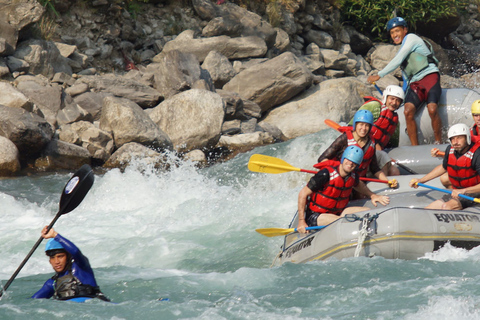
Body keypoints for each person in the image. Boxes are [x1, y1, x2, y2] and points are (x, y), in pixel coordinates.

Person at [367, 16, 442, 146]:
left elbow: (398, 59)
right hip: (416, 83)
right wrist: (402, 96)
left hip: (429, 76)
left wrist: (379, 75)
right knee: (407, 111)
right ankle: (415, 148)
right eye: (392, 33)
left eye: (397, 31)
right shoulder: (403, 48)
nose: (395, 35)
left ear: (405, 30)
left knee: (432, 109)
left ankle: (438, 141)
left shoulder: (411, 38)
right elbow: (406, 80)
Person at [297, 146, 390, 233]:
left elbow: (359, 185)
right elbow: (303, 194)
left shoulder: (352, 176)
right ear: (343, 158)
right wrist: (301, 221)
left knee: (367, 211)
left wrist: (373, 195)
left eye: (354, 162)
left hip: (338, 212)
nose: (350, 163)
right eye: (348, 159)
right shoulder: (325, 174)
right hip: (316, 215)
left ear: (357, 165)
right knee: (340, 221)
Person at [318, 110, 398, 190]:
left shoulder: (371, 143)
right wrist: (339, 170)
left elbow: (374, 168)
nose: (363, 128)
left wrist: (387, 181)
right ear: (355, 125)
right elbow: (322, 159)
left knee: (361, 195)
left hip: (358, 180)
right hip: (342, 178)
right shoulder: (344, 139)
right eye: (361, 124)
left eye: (367, 125)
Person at [410, 123, 480, 210]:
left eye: (459, 138)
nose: (455, 142)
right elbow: (443, 167)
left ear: (467, 138)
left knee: (446, 207)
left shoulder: (477, 155)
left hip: (475, 192)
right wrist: (421, 180)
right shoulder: (450, 150)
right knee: (428, 209)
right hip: (458, 191)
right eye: (452, 138)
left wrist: (463, 191)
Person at [31, 226, 109, 301]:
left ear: (68, 257)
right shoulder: (52, 284)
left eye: (60, 256)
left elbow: (75, 251)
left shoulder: (81, 268)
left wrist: (55, 235)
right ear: (50, 261)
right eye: (53, 258)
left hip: (93, 306)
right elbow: (32, 302)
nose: (57, 261)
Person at [431, 100, 480, 188]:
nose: (479, 118)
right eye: (476, 115)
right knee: (444, 178)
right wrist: (441, 154)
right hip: (475, 169)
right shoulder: (469, 134)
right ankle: (460, 196)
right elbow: (464, 154)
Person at [370, 85, 405, 176]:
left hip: (379, 153)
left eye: (398, 100)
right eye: (392, 99)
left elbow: (393, 144)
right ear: (385, 97)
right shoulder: (374, 106)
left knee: (395, 172)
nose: (394, 103)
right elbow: (357, 128)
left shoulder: (395, 120)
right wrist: (375, 144)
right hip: (364, 146)